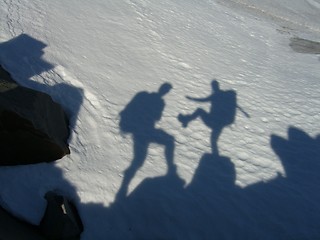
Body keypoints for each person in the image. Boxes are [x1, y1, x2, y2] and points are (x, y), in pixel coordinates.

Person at [117, 83, 177, 199]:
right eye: (167, 90)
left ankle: (170, 168)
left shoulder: (143, 95)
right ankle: (124, 184)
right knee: (139, 160)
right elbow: (157, 117)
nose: (166, 92)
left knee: (168, 141)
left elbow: (132, 107)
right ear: (165, 91)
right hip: (143, 131)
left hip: (143, 130)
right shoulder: (160, 102)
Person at [178, 80, 237, 154]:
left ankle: (186, 119)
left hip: (212, 120)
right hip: (220, 124)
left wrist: (192, 98)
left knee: (199, 111)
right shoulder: (223, 95)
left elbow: (203, 100)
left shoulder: (215, 95)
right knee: (213, 140)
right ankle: (215, 157)